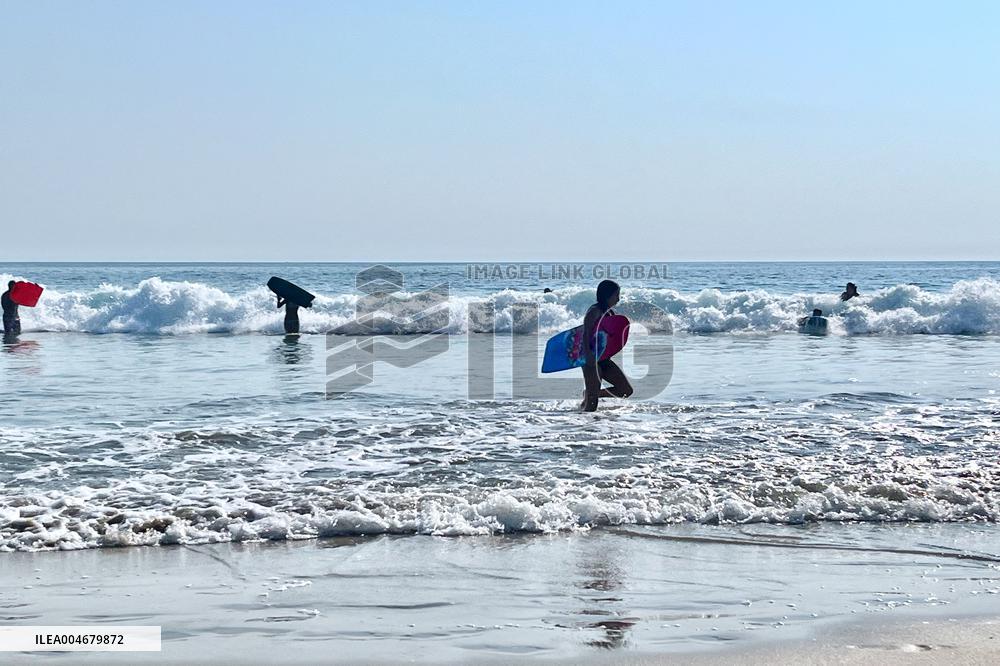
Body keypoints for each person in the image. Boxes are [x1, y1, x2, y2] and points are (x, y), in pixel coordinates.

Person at [581, 280, 633, 412]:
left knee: (625, 390)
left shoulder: (610, 313)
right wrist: (589, 356)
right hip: (591, 359)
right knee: (592, 404)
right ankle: (585, 429)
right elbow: (585, 333)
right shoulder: (594, 311)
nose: (618, 298)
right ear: (607, 295)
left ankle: (589, 394)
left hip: (604, 359)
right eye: (616, 295)